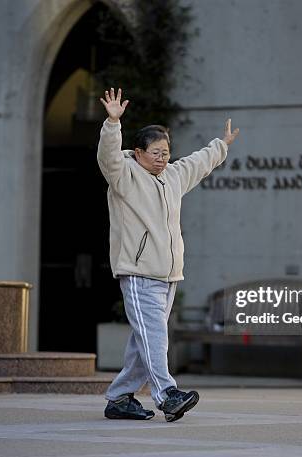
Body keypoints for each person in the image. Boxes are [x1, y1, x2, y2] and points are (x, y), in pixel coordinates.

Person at [97, 87, 239, 422]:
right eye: (156, 152)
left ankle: (118, 398)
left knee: (142, 343)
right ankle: (167, 394)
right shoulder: (125, 176)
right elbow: (108, 157)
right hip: (139, 273)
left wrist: (221, 146)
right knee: (154, 338)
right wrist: (112, 123)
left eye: (166, 152)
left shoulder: (172, 176)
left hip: (168, 276)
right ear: (138, 152)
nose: (163, 158)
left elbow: (197, 163)